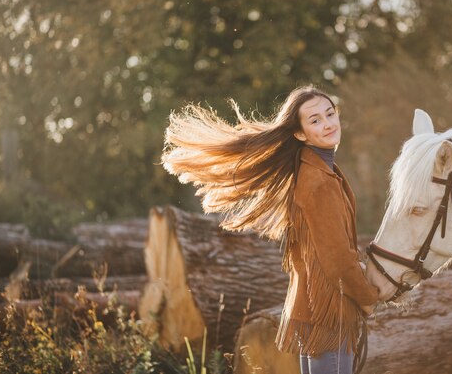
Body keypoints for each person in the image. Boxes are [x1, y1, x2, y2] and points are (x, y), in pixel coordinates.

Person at [161, 85, 379, 374]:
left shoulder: (316, 171)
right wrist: (367, 299)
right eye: (315, 120)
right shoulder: (319, 182)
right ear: (300, 134)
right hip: (329, 314)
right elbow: (338, 259)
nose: (328, 124)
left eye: (330, 113)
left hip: (315, 309)